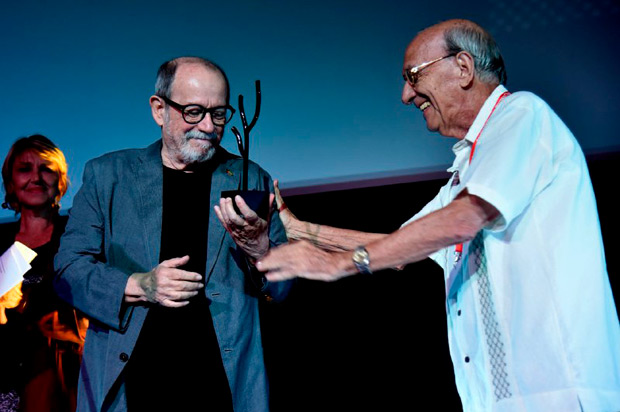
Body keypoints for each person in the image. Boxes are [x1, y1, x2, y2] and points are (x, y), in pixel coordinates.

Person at [258, 19, 620, 412]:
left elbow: (465, 219)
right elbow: (399, 248)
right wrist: (297, 228)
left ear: (463, 68)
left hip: (560, 394)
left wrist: (339, 266)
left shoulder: (522, 114)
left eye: (412, 76)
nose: (405, 95)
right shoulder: (467, 171)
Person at [53, 57, 293, 412]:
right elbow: (67, 270)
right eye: (193, 112)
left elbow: (283, 289)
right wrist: (140, 285)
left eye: (220, 114)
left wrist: (261, 250)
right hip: (135, 389)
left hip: (221, 391)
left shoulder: (249, 178)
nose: (209, 126)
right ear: (159, 109)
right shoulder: (108, 175)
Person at [0, 135, 88, 412]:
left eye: (46, 169)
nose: (36, 177)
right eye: (25, 169)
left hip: (68, 387)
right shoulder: (1, 241)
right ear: (10, 182)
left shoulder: (83, 236)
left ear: (60, 181)